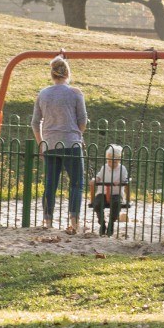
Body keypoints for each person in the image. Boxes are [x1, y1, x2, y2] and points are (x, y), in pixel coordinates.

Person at [32, 57, 88, 235]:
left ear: (52, 74)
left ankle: (48, 220)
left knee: (50, 183)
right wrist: (78, 134)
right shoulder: (75, 93)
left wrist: (41, 142)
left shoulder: (43, 94)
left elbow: (35, 123)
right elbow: (83, 120)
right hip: (71, 143)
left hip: (50, 143)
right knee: (76, 182)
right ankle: (74, 220)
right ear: (68, 73)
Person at [89, 144, 131, 236]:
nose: (111, 164)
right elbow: (99, 177)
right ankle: (102, 223)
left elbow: (125, 180)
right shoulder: (104, 167)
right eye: (109, 161)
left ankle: (111, 223)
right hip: (102, 193)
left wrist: (120, 181)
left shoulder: (122, 169)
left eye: (114, 162)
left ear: (119, 160)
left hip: (116, 193)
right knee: (97, 204)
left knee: (116, 204)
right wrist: (94, 180)